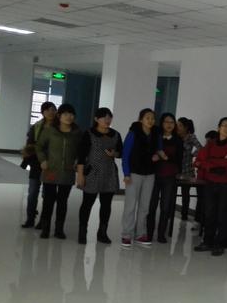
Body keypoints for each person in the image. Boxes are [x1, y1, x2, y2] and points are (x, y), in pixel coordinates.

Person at [194, 117, 227, 256]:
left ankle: (220, 243)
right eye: (224, 125)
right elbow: (199, 160)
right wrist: (215, 165)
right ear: (219, 128)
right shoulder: (210, 143)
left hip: (225, 185)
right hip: (210, 183)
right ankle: (207, 241)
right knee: (209, 213)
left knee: (222, 215)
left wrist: (210, 162)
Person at [76, 107, 122, 245]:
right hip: (92, 172)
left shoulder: (116, 134)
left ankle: (102, 232)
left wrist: (114, 154)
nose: (107, 120)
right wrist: (80, 175)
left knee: (106, 205)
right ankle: (82, 232)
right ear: (96, 119)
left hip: (109, 173)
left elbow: (121, 152)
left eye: (109, 117)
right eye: (104, 117)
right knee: (87, 203)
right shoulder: (89, 133)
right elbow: (81, 156)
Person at [36, 103, 82, 239]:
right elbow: (39, 146)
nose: (69, 117)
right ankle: (45, 228)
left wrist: (77, 161)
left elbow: (81, 151)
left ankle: (59, 229)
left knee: (62, 202)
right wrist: (43, 160)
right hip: (51, 170)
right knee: (48, 201)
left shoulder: (77, 133)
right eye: (65, 114)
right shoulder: (50, 130)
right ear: (59, 116)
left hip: (67, 172)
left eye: (71, 114)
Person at [121, 108, 163, 249]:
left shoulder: (156, 133)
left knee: (145, 206)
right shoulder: (134, 132)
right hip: (134, 173)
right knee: (130, 206)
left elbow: (159, 150)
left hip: (150, 174)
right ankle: (126, 235)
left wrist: (158, 155)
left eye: (152, 118)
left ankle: (140, 234)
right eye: (147, 118)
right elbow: (125, 153)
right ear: (141, 119)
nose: (150, 120)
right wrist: (126, 173)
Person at [147, 113, 183, 244]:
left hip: (169, 177)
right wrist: (155, 157)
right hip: (154, 176)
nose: (169, 125)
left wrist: (165, 157)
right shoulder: (155, 137)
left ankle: (161, 234)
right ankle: (149, 233)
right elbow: (149, 154)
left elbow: (179, 159)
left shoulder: (178, 140)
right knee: (151, 206)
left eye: (172, 122)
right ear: (161, 123)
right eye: (166, 122)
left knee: (165, 207)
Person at [20, 101, 56, 228]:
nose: (51, 112)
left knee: (47, 194)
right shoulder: (37, 126)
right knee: (33, 192)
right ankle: (30, 218)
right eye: (47, 110)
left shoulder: (59, 127)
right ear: (43, 112)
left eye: (53, 110)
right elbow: (30, 143)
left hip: (52, 163)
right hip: (36, 163)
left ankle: (43, 221)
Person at [177, 117, 202, 221]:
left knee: (185, 193)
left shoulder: (191, 137)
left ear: (186, 127)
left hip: (187, 170)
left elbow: (201, 148)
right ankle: (169, 213)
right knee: (172, 191)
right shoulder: (176, 136)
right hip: (176, 168)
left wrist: (192, 154)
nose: (177, 127)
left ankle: (184, 215)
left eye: (180, 125)